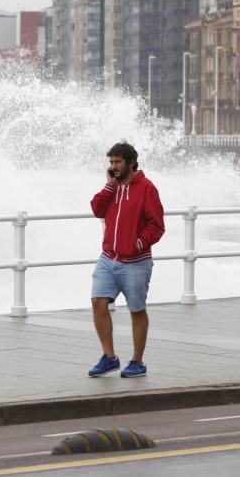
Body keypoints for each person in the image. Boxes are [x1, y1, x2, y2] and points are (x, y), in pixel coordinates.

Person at [87, 142, 164, 378]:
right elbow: (97, 209)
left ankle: (137, 362)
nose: (113, 166)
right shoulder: (114, 187)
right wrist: (109, 186)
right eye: (111, 162)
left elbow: (157, 226)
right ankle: (109, 358)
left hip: (136, 262)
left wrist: (137, 244)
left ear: (131, 162)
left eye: (118, 162)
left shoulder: (147, 188)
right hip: (108, 258)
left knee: (136, 310)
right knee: (98, 302)